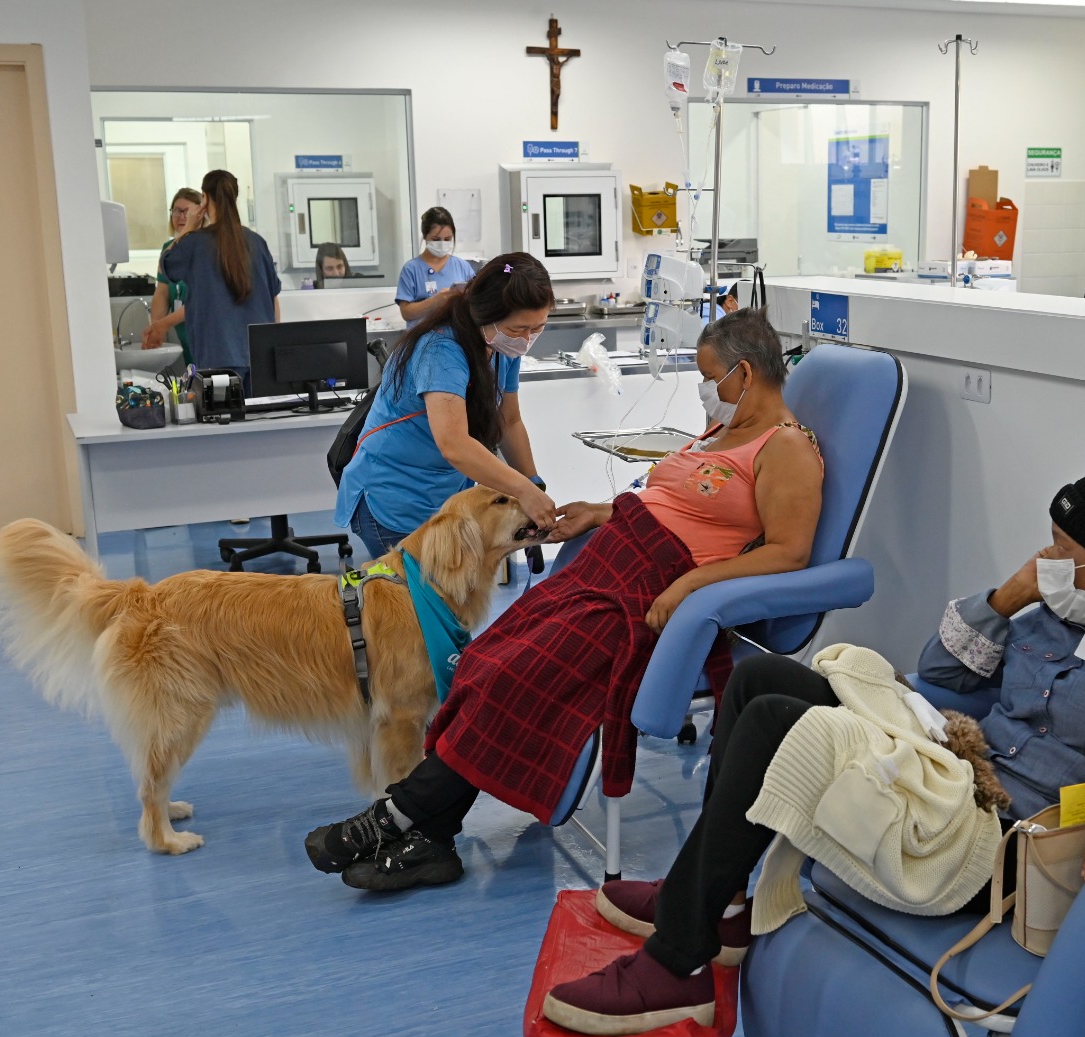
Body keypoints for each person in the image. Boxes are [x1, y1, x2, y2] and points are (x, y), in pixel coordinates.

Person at [539, 447, 1085, 1037]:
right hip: (950, 774)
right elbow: (938, 669)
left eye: (1061, 550)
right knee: (760, 683)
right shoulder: (1056, 613)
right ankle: (724, 902)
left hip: (1013, 844)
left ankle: (677, 962)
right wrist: (1012, 595)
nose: (1046, 560)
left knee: (785, 725)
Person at [306, 310, 826, 898]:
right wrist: (602, 512)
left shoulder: (786, 448)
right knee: (484, 661)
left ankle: (394, 820)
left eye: (710, 377)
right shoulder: (720, 430)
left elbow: (788, 553)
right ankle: (432, 837)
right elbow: (672, 504)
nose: (706, 390)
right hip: (608, 563)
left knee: (513, 676)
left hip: (650, 590)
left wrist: (688, 587)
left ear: (746, 372)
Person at [334, 252, 558, 559]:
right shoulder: (440, 350)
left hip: (444, 491)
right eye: (518, 329)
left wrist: (534, 485)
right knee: (416, 602)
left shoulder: (502, 346)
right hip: (394, 495)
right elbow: (453, 444)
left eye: (538, 328)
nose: (526, 340)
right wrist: (522, 491)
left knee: (447, 601)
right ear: (485, 315)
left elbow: (510, 421)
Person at [160, 170, 282, 377]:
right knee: (258, 410)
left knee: (223, 410)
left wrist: (188, 228)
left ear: (204, 199)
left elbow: (166, 265)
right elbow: (273, 297)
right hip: (259, 355)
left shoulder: (194, 243)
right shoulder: (257, 242)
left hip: (217, 356)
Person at [141, 188, 203, 355]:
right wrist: (155, 326)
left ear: (200, 213)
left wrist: (163, 325)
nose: (181, 216)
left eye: (186, 211)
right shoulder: (169, 250)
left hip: (205, 334)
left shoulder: (205, 247)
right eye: (176, 210)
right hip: (185, 336)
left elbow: (200, 301)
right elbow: (162, 292)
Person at [396, 206, 475, 323]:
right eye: (436, 239)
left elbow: (477, 301)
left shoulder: (463, 267)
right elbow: (406, 313)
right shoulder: (411, 269)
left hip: (456, 336)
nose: (442, 244)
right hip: (423, 338)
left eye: (447, 239)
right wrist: (435, 302)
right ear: (425, 235)